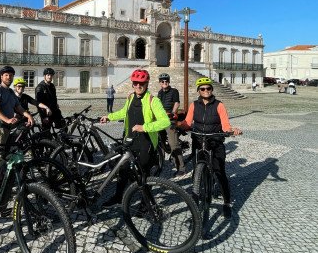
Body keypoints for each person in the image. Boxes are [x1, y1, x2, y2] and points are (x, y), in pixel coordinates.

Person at [100, 69, 169, 206]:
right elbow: (124, 112)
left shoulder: (153, 101)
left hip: (145, 143)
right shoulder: (131, 97)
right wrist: (109, 117)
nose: (138, 86)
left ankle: (146, 204)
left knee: (143, 175)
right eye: (135, 83)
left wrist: (144, 127)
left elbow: (165, 121)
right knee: (123, 170)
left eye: (141, 83)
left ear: (147, 83)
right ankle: (118, 197)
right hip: (129, 140)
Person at [177, 77, 242, 219]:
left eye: (208, 88)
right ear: (198, 91)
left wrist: (232, 130)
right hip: (199, 141)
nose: (206, 91)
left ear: (212, 90)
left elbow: (225, 125)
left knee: (220, 172)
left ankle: (227, 203)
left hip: (215, 141)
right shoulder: (194, 105)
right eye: (202, 89)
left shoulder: (219, 105)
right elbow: (188, 122)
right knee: (197, 170)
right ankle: (195, 196)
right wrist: (177, 125)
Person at [0, 66, 34, 161]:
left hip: (7, 127)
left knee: (5, 153)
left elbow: (18, 108)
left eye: (11, 75)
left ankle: (2, 174)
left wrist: (28, 115)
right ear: (1, 77)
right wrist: (7, 119)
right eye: (6, 75)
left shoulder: (10, 92)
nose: (9, 77)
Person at [157, 73, 185, 176]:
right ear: (160, 83)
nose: (165, 83)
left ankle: (181, 168)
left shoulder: (174, 91)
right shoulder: (160, 93)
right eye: (162, 81)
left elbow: (177, 103)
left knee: (174, 144)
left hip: (170, 118)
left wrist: (173, 112)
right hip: (161, 118)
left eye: (166, 81)